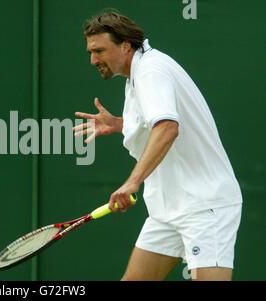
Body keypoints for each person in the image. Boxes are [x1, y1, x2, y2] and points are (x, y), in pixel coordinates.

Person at [73, 10, 243, 281]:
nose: (94, 59)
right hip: (168, 208)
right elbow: (156, 122)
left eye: (100, 50)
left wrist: (132, 182)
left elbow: (167, 128)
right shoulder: (137, 73)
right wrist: (119, 124)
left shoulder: (151, 71)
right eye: (90, 52)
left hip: (204, 206)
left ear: (125, 45)